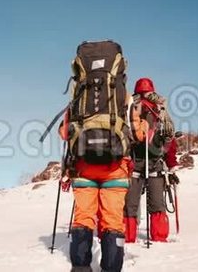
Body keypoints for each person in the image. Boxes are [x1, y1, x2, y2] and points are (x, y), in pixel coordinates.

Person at [60, 112, 132, 272]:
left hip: (83, 166)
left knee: (83, 217)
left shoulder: (78, 98)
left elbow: (64, 133)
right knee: (113, 220)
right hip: (115, 167)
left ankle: (80, 266)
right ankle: (111, 268)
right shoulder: (125, 97)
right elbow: (138, 134)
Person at [124, 77, 179, 243]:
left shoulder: (129, 109)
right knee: (157, 204)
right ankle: (159, 237)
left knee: (129, 205)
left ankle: (128, 236)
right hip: (155, 162)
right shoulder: (160, 110)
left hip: (134, 163)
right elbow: (169, 140)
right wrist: (172, 164)